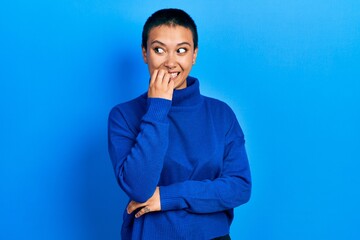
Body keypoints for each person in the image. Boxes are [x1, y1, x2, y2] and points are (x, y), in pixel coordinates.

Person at [108, 8, 251, 240]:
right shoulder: (123, 116)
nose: (170, 62)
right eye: (159, 50)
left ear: (194, 54)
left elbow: (239, 187)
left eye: (181, 50)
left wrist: (167, 197)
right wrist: (158, 107)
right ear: (145, 53)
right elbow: (139, 188)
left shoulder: (221, 114)